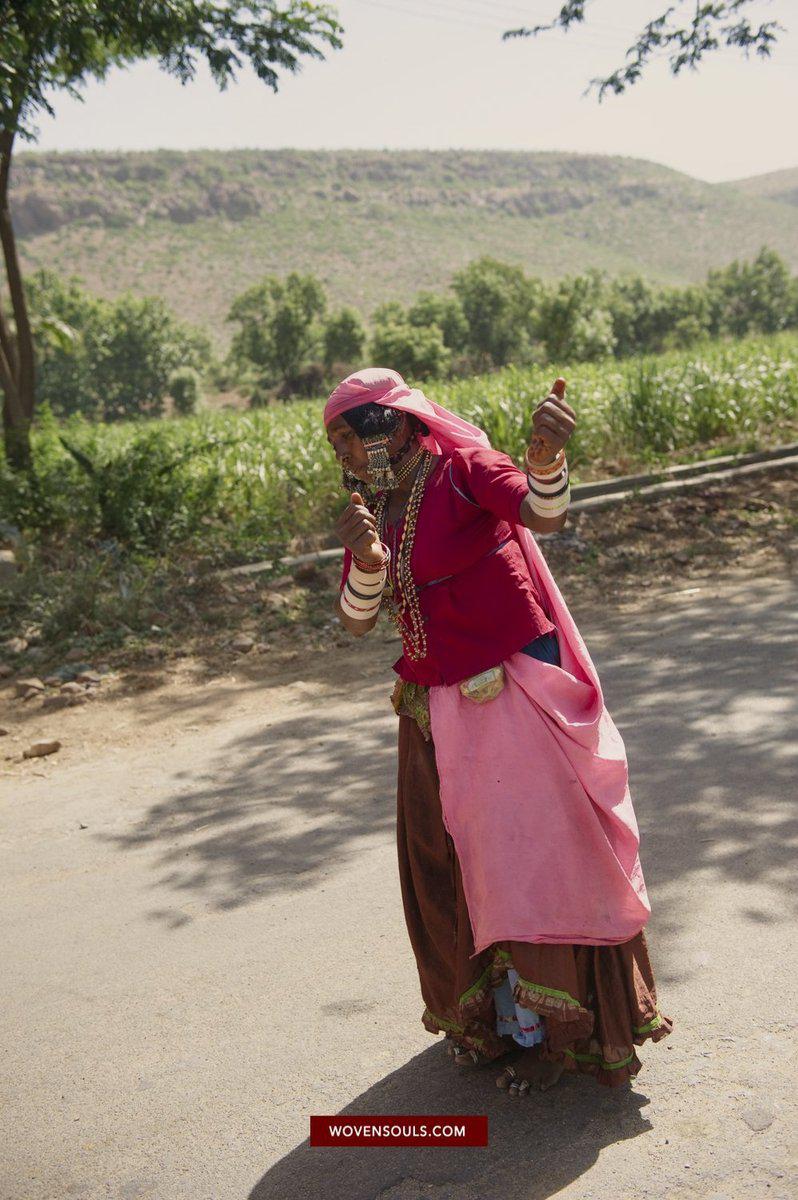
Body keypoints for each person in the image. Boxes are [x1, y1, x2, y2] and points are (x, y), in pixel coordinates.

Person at [325, 366, 673, 1096]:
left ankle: (572, 1031)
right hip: (432, 709)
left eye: (350, 440)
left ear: (394, 427)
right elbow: (358, 620)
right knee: (452, 865)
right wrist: (363, 561)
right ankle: (504, 1019)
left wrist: (544, 459)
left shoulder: (462, 468)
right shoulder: (377, 510)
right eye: (338, 447)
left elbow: (540, 511)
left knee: (538, 859)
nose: (346, 458)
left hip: (509, 689)